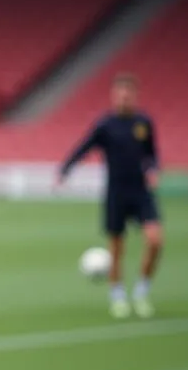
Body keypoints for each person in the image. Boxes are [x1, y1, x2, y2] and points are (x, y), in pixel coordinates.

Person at [58, 72, 163, 319]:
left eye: (128, 92)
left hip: (140, 192)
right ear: (114, 96)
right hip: (115, 192)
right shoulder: (105, 125)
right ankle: (117, 297)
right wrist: (66, 169)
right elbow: (84, 146)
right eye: (120, 92)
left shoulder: (143, 123)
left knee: (155, 240)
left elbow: (152, 153)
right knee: (117, 248)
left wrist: (153, 169)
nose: (124, 97)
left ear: (134, 95)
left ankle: (141, 291)